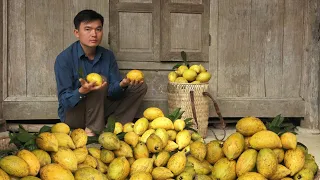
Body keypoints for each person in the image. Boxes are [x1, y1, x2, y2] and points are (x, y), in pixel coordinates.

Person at [54, 9, 147, 136]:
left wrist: (123, 84)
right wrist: (82, 91)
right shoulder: (64, 59)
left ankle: (113, 126)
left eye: (98, 29)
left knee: (139, 86)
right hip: (75, 114)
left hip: (101, 110)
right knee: (100, 80)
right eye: (88, 29)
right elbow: (64, 101)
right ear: (77, 33)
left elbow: (113, 93)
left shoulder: (107, 56)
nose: (94, 34)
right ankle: (92, 130)